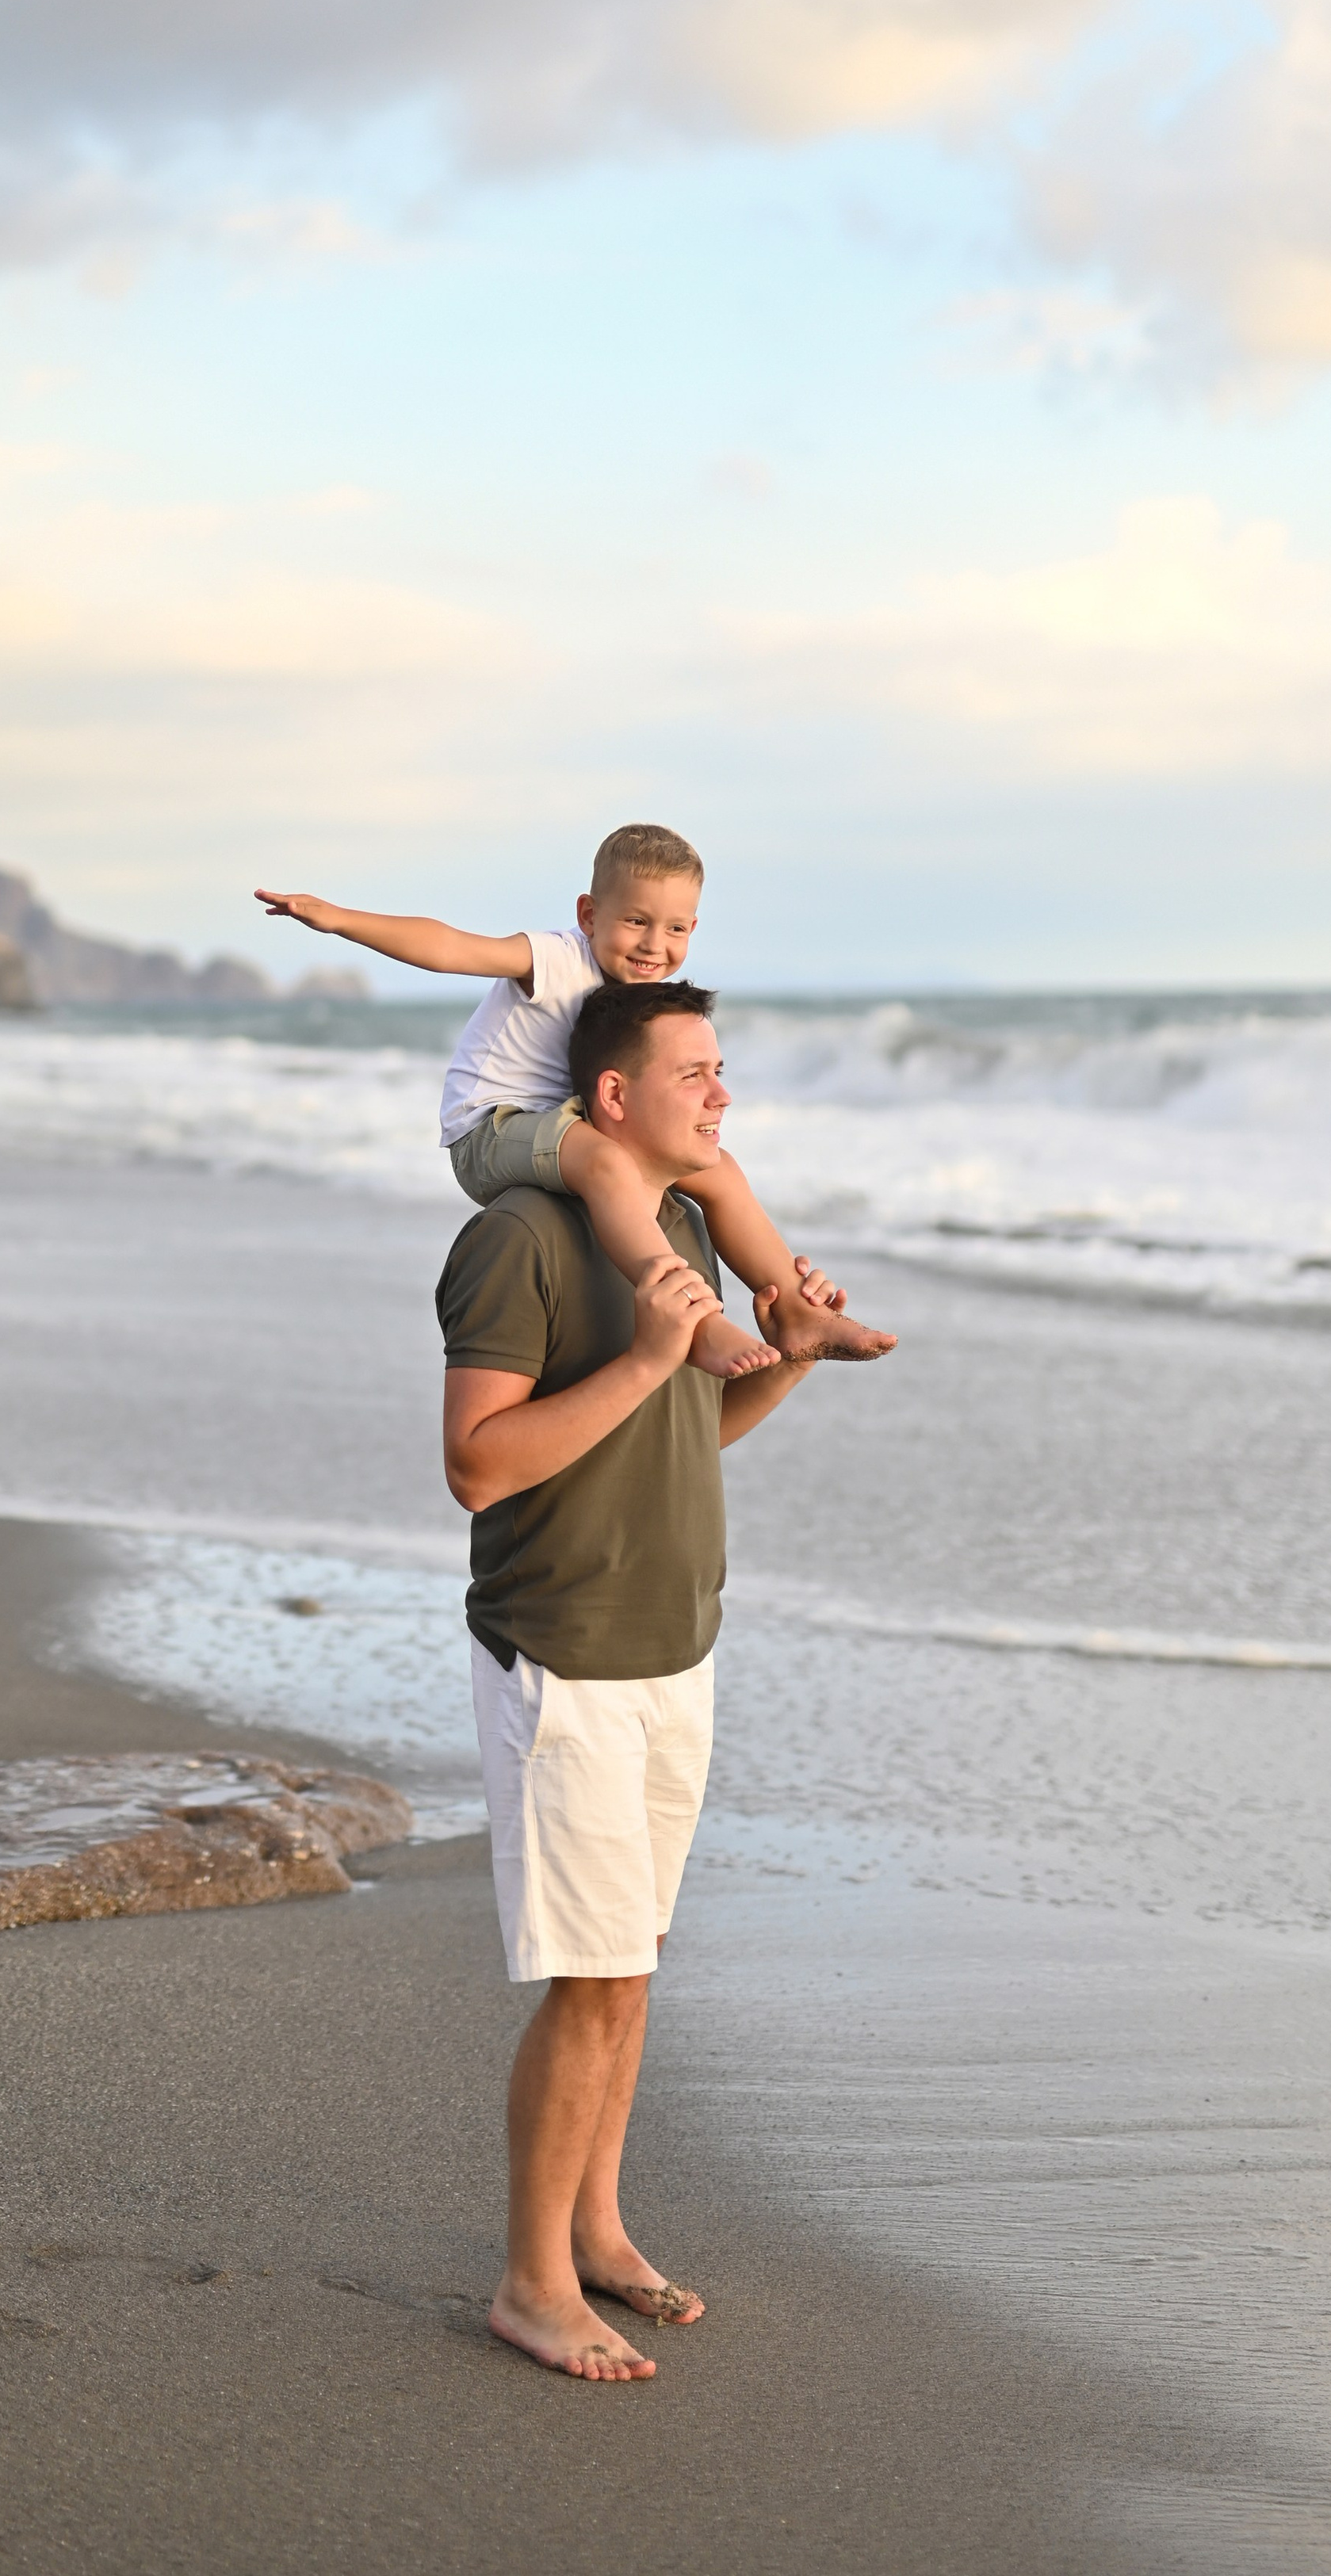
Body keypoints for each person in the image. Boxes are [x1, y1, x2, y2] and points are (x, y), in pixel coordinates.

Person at [436, 976, 827, 2380]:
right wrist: (660, 1347)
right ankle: (532, 2283)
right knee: (589, 1976)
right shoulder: (520, 1240)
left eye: (724, 1072)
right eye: (696, 1073)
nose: (722, 1097)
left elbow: (679, 1433)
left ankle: (596, 2228)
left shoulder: (674, 1233)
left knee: (632, 1964)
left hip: (676, 1641)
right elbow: (481, 1462)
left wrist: (780, 1362)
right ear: (612, 1098)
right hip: (568, 1648)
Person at [257, 823, 895, 1376]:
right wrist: (337, 918)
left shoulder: (644, 989)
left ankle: (792, 1307)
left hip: (571, 1126)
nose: (653, 946)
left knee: (720, 1171)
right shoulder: (557, 959)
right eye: (636, 921)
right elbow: (452, 948)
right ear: (590, 915)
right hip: (491, 1127)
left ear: (694, 928)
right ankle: (694, 1323)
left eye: (675, 928)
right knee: (608, 1164)